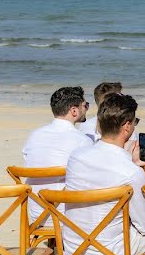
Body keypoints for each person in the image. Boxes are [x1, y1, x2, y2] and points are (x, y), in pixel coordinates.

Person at [62, 93, 145, 255]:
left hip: (75, 247)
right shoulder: (131, 173)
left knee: (103, 221)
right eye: (134, 122)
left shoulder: (76, 158)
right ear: (127, 127)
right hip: (111, 250)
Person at [22, 86, 93, 225]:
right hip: (66, 218)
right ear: (74, 110)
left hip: (37, 215)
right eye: (86, 105)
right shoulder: (82, 140)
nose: (87, 109)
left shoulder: (34, 136)